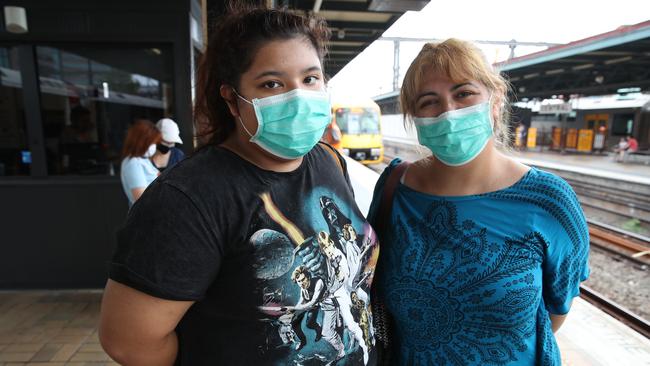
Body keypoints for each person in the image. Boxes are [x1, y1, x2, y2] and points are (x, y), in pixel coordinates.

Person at [99, 4, 379, 366]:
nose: (298, 96)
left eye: (310, 79)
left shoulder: (328, 161)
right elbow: (129, 343)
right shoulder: (189, 199)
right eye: (272, 84)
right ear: (231, 98)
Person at [367, 39, 589, 365]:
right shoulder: (394, 188)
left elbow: (557, 308)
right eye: (429, 101)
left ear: (495, 100)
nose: (448, 111)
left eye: (464, 93)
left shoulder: (550, 201)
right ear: (415, 117)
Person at [119, 120, 161, 206]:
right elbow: (141, 199)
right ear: (142, 142)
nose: (154, 146)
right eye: (152, 143)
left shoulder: (143, 160)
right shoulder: (133, 164)